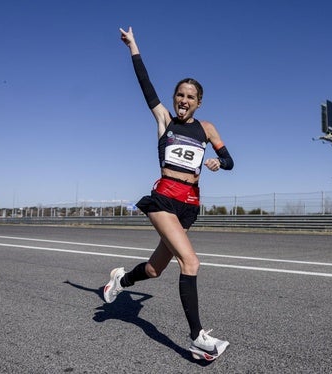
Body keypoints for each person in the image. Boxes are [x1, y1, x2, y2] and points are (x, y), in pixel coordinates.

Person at [103, 27, 234, 361]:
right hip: (162, 199)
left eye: (190, 96)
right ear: (174, 97)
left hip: (189, 206)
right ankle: (198, 339)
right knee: (190, 262)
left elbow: (231, 160)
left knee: (153, 270)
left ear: (198, 102)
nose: (183, 100)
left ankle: (120, 280)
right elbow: (145, 84)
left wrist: (218, 161)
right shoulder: (165, 120)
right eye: (180, 94)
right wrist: (133, 47)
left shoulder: (207, 128)